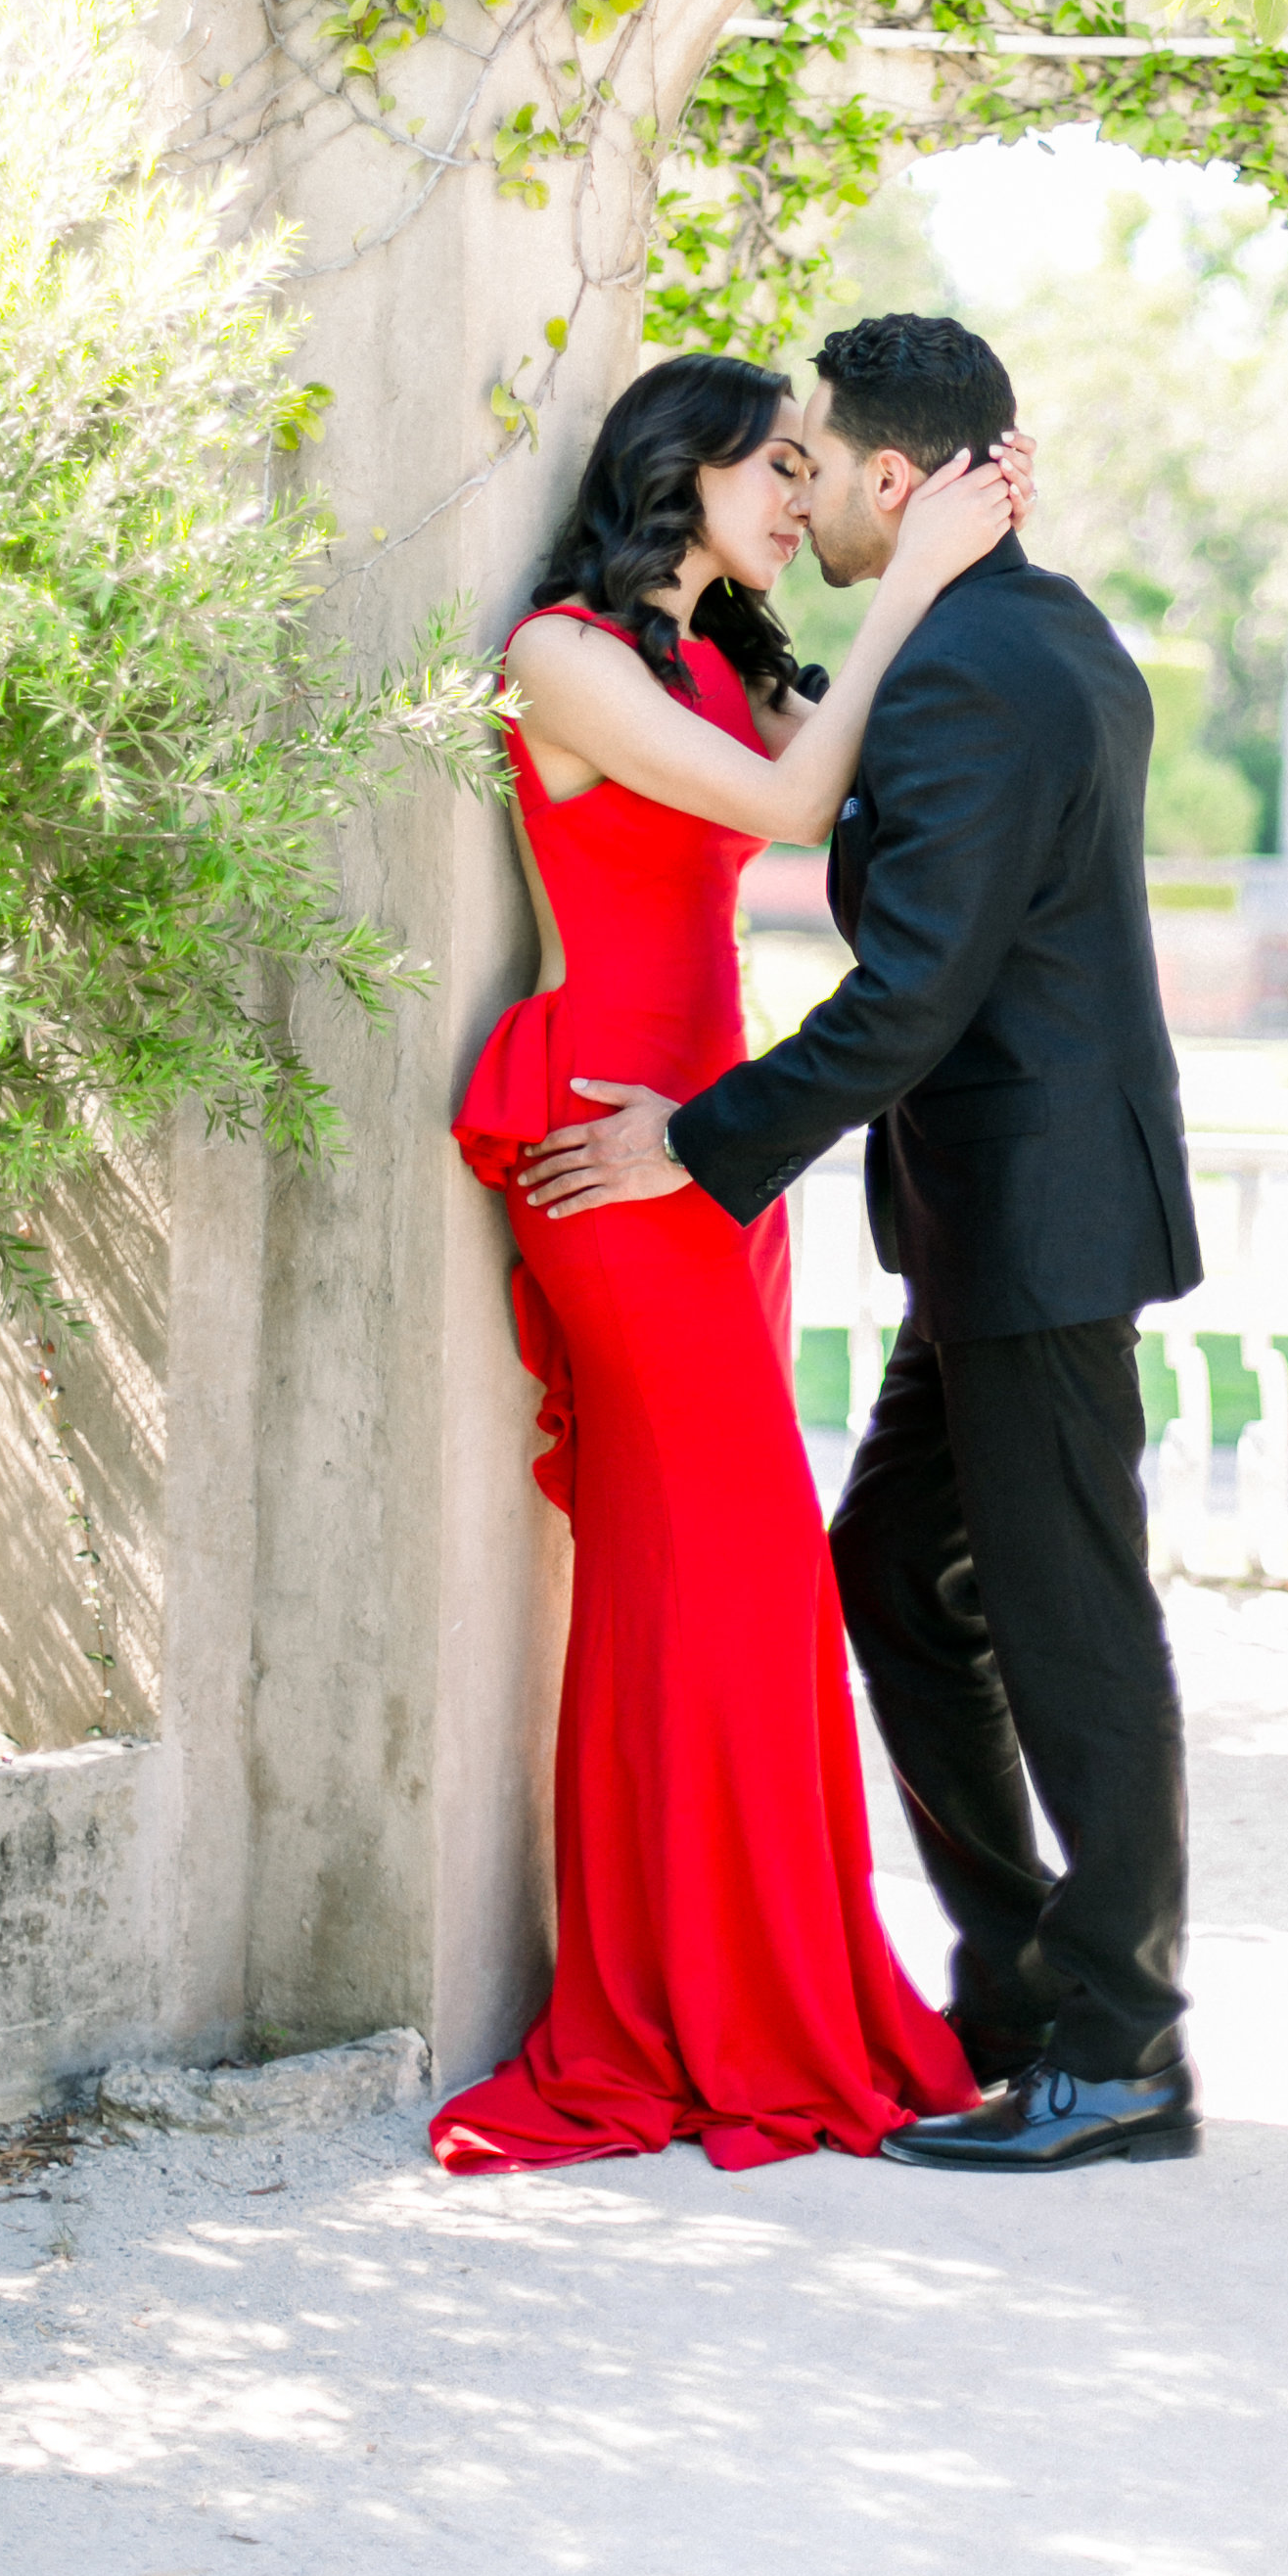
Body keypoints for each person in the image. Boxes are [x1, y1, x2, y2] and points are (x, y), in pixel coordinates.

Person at [527, 312, 1206, 2174]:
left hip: (1036, 1219)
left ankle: (1120, 2041)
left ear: (905, 484)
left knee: (1072, 1622)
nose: (807, 482)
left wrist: (703, 1146)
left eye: (825, 457)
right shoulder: (1015, 628)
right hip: (1002, 1215)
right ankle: (1017, 1981)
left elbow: (907, 995)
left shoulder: (980, 667)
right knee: (902, 1576)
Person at [429, 349, 1026, 2176]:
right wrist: (916, 568)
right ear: (676, 471)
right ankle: (714, 2008)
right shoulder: (564, 655)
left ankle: (725, 1982)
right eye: (778, 467)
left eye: (816, 473)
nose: (801, 499)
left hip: (709, 1151)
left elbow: (845, 794)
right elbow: (782, 815)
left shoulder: (712, 662)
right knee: (744, 1570)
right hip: (608, 1142)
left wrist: (967, 582)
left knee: (697, 1581)